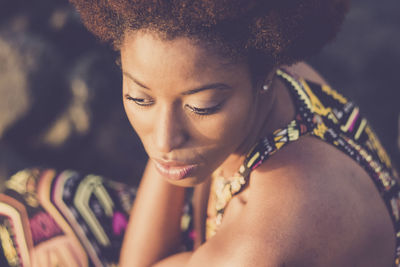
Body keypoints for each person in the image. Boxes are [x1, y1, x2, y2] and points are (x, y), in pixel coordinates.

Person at [1, 0, 399, 266]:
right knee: (23, 201)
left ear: (265, 73)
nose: (163, 138)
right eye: (140, 98)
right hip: (216, 235)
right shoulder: (267, 77)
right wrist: (171, 163)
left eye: (202, 106)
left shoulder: (269, 231)